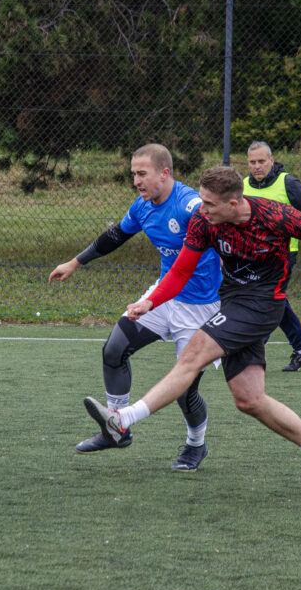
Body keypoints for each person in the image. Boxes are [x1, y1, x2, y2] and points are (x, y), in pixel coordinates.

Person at [84, 166, 301, 495]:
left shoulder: (277, 217)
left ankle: (122, 421)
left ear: (233, 204)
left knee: (192, 354)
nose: (202, 208)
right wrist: (152, 302)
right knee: (249, 400)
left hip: (263, 305)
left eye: (209, 203)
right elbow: (180, 272)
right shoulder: (204, 222)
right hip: (232, 301)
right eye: (202, 201)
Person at [49, 144, 222, 470]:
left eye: (142, 174)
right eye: (133, 174)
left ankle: (196, 444)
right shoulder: (143, 206)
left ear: (165, 173)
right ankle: (116, 428)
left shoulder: (190, 206)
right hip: (163, 296)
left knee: (184, 391)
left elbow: (224, 231)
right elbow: (115, 235)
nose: (136, 181)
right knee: (114, 349)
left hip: (200, 308)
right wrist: (75, 262)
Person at [244, 141, 301, 372]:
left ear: (271, 160)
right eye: (252, 162)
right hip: (252, 257)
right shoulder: (243, 185)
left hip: (283, 255)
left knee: (268, 299)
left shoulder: (288, 183)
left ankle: (254, 351)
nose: (257, 166)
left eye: (261, 161)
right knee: (276, 301)